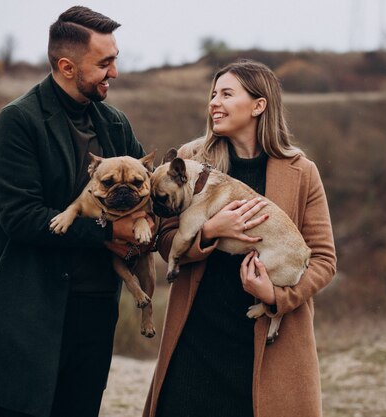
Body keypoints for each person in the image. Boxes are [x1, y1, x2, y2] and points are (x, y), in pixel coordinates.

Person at [0, 6, 152, 417]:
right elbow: (20, 218)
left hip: (96, 308)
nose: (115, 72)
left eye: (115, 59)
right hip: (32, 307)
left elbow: (149, 192)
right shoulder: (18, 121)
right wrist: (109, 229)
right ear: (67, 66)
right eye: (105, 63)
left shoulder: (116, 124)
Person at [143, 59, 337, 417]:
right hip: (195, 338)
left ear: (259, 105)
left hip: (266, 346)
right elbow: (163, 237)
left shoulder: (301, 171)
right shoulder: (189, 160)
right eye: (213, 94)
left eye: (227, 94)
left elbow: (324, 260)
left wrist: (277, 295)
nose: (214, 102)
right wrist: (210, 232)